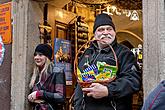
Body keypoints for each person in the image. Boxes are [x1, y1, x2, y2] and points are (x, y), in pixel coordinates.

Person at [74, 13, 141, 110]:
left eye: (109, 29)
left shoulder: (124, 53)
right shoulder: (87, 53)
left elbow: (133, 81)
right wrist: (77, 105)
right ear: (95, 34)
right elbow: (79, 83)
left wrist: (108, 90)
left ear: (114, 32)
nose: (105, 32)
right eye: (101, 30)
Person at [28, 44, 66, 110]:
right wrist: (31, 98)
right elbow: (34, 97)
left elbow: (60, 97)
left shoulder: (57, 71)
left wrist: (39, 93)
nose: (36, 57)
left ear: (47, 57)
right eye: (35, 54)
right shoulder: (35, 73)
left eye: (40, 55)